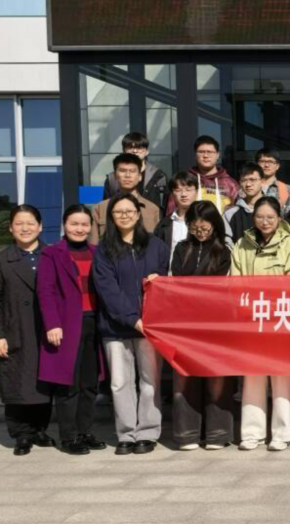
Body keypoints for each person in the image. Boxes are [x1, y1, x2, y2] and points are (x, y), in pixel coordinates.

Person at [93, 194, 171, 455]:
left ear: (138, 214)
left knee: (150, 382)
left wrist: (159, 279)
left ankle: (147, 432)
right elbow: (107, 290)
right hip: (116, 327)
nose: (124, 215)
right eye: (118, 212)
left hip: (149, 326)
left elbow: (165, 282)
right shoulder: (104, 249)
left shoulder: (156, 246)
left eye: (129, 211)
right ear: (111, 217)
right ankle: (125, 433)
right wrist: (132, 319)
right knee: (119, 383)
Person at [230, 196, 290, 451]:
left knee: (282, 377)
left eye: (270, 217)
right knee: (253, 377)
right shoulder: (242, 244)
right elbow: (235, 281)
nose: (265, 222)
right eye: (260, 217)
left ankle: (282, 433)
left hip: (280, 319)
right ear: (253, 218)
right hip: (251, 319)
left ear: (279, 218)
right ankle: (252, 433)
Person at [0, 205, 54, 456]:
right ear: (10, 228)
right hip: (15, 330)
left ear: (40, 227)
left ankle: (40, 429)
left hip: (46, 330)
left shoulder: (52, 255)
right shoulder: (1, 260)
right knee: (16, 382)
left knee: (44, 382)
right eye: (19, 224)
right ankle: (21, 433)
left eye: (30, 223)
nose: (25, 228)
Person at [36, 205, 107, 456]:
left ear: (91, 227)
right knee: (68, 384)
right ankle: (69, 436)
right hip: (66, 325)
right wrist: (52, 323)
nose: (79, 229)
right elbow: (45, 291)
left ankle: (85, 431)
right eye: (74, 224)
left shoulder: (97, 252)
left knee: (90, 383)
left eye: (84, 224)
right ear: (65, 225)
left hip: (94, 323)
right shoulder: (52, 253)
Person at [169, 202, 235, 451]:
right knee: (185, 377)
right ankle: (187, 434)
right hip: (184, 323)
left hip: (216, 323)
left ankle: (218, 433)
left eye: (205, 227)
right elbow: (176, 281)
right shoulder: (181, 248)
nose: (200, 232)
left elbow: (218, 286)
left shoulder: (223, 251)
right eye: (195, 227)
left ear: (215, 225)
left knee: (216, 376)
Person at [90, 154, 161, 244]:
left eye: (132, 171)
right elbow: (93, 245)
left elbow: (157, 244)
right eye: (123, 171)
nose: (127, 175)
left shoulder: (152, 209)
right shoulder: (100, 208)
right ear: (115, 176)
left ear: (140, 176)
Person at [102, 132, 169, 212]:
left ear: (147, 151)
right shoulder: (112, 178)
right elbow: (106, 206)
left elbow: (165, 205)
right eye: (130, 147)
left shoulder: (158, 175)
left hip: (150, 217)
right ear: (123, 150)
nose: (135, 151)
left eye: (139, 147)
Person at [185, 135, 240, 214]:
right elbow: (173, 211)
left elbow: (239, 213)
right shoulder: (185, 180)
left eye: (210, 152)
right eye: (201, 152)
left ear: (218, 155)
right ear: (195, 155)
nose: (205, 156)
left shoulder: (230, 184)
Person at [155, 172, 200, 255]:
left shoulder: (206, 220)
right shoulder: (164, 224)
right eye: (178, 190)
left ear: (197, 192)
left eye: (188, 190)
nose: (183, 194)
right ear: (172, 194)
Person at [224, 162, 265, 245]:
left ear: (262, 181)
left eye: (252, 180)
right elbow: (227, 243)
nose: (248, 184)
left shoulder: (274, 209)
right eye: (244, 180)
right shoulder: (230, 214)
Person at [255, 148, 290, 215]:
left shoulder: (288, 190)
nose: (266, 165)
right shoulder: (248, 187)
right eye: (262, 161)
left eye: (271, 162)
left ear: (277, 166)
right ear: (257, 164)